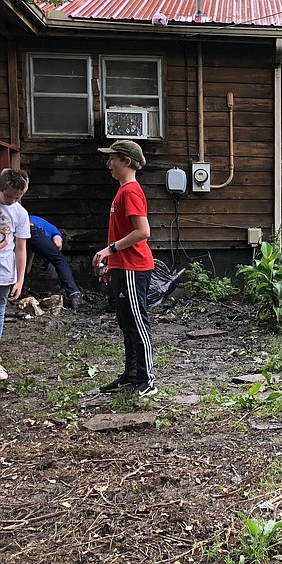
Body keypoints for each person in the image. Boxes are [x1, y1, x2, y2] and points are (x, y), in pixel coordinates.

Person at [93, 140, 157, 398]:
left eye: (113, 159)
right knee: (126, 322)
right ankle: (131, 376)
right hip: (123, 266)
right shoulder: (122, 191)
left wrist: (110, 250)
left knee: (137, 323)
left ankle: (147, 380)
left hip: (134, 266)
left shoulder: (130, 191)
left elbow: (143, 232)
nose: (109, 164)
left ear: (127, 162)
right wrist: (114, 263)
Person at [0, 169, 31, 382]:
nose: (13, 201)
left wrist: (20, 279)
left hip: (4, 273)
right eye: (9, 196)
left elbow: (20, 248)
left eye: (18, 197)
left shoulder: (20, 213)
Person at [26, 215, 82, 308]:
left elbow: (28, 263)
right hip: (30, 227)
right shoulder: (56, 232)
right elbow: (57, 244)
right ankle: (74, 294)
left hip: (19, 226)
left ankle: (17, 292)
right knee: (60, 260)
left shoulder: (35, 241)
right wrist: (50, 259)